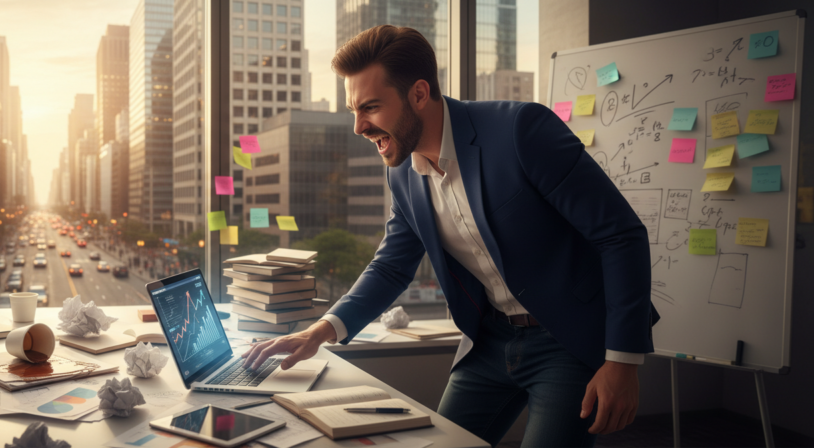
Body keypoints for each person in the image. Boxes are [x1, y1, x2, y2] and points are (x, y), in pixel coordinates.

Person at [241, 25, 658, 447]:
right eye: (353, 110)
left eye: (369, 107)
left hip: (566, 340)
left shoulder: (521, 130)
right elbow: (391, 266)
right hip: (491, 341)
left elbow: (620, 236)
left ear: (419, 94)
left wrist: (622, 361)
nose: (358, 127)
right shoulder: (402, 173)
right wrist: (319, 331)